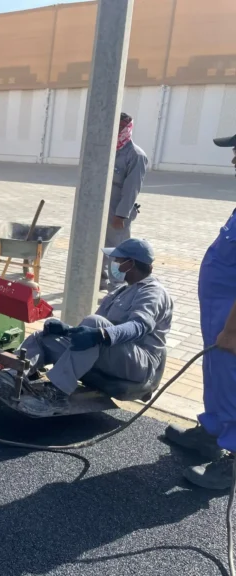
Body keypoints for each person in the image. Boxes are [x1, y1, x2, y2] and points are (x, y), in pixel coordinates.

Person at [0, 238, 172, 418]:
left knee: (94, 322)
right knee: (45, 336)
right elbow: (90, 336)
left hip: (139, 365)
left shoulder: (153, 293)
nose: (115, 265)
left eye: (119, 261)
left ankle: (57, 393)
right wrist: (66, 330)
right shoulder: (120, 292)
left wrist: (100, 333)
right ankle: (12, 376)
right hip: (111, 353)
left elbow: (139, 326)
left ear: (131, 263)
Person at [164, 133, 236, 490]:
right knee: (218, 376)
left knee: (233, 381)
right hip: (220, 317)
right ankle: (211, 433)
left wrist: (233, 330)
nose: (234, 160)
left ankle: (233, 461)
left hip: (233, 323)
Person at [101, 113, 149, 291]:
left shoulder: (136, 155)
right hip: (100, 207)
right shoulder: (106, 150)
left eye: (120, 128)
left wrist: (121, 215)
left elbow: (131, 189)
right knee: (99, 245)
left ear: (127, 129)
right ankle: (99, 279)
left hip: (118, 210)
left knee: (117, 250)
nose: (117, 131)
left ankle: (117, 287)